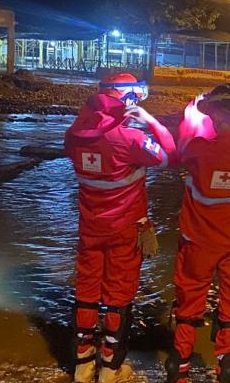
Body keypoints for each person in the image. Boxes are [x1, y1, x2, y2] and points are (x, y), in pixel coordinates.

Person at [64, 72, 176, 383]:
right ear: (126, 100)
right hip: (127, 229)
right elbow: (171, 155)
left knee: (87, 289)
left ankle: (82, 364)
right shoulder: (131, 139)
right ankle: (110, 368)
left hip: (89, 227)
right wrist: (150, 120)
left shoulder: (73, 135)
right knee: (119, 293)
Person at [164, 83, 230, 383]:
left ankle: (180, 366)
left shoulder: (198, 151)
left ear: (214, 116)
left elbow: (181, 151)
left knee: (188, 306)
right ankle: (226, 365)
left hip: (197, 243)